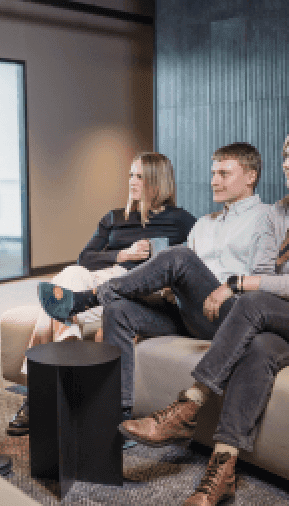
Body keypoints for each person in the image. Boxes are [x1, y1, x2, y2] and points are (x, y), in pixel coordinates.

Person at [120, 122, 289, 505]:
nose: (287, 164)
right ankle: (222, 469)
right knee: (259, 347)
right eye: (285, 156)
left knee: (250, 300)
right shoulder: (280, 212)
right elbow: (273, 275)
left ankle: (188, 405)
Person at [39, 142, 269, 420]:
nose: (214, 181)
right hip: (188, 313)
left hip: (231, 315)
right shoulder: (204, 224)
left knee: (179, 255)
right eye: (213, 173)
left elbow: (265, 279)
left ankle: (89, 298)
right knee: (118, 311)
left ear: (251, 176)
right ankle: (117, 414)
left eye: (224, 174)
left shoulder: (267, 219)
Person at [8, 152, 196, 436]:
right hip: (97, 280)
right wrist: (123, 253)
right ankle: (67, 346)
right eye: (131, 174)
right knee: (69, 275)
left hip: (132, 287)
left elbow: (190, 264)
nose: (132, 181)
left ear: (158, 182)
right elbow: (85, 257)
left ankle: (38, 396)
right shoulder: (114, 217)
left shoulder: (180, 221)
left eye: (140, 176)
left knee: (68, 297)